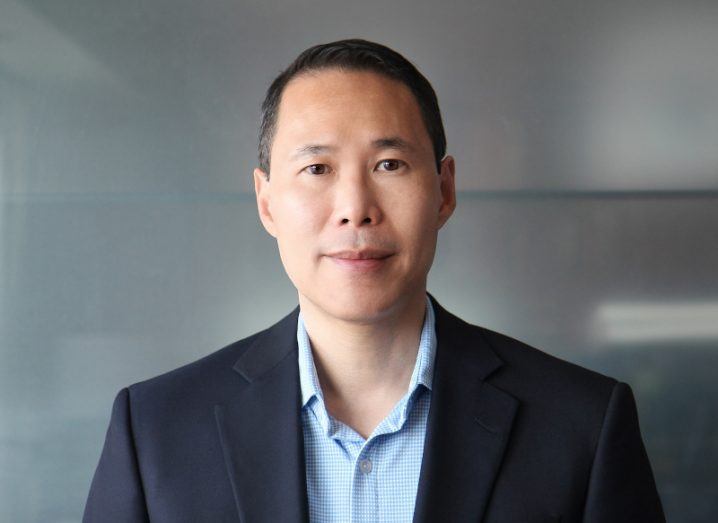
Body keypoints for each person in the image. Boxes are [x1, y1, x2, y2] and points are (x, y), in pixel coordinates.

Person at [83, 39, 665, 523]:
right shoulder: (155, 431)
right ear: (266, 203)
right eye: (317, 169)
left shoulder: (581, 425)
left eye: (389, 164)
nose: (355, 209)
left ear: (444, 190)